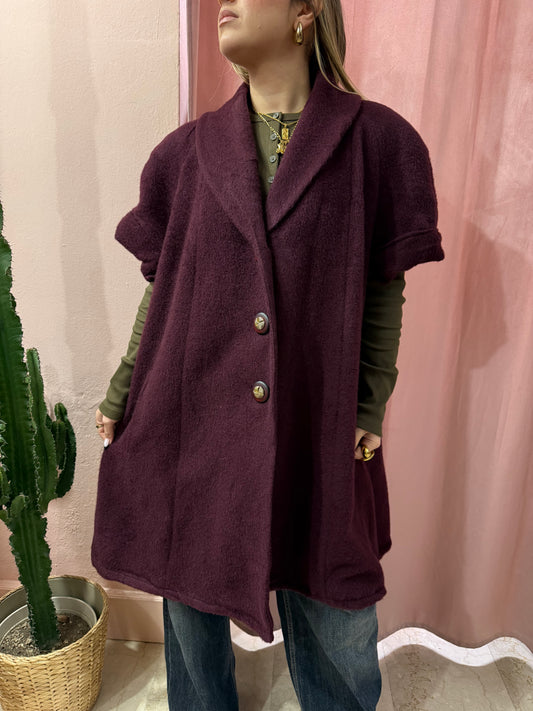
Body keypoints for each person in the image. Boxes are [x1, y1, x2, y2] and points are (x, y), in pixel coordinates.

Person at [92, 1, 445, 709]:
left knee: (331, 587)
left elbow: (384, 289)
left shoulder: (377, 143)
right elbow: (162, 293)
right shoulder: (184, 155)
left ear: (304, 14)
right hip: (192, 414)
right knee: (188, 581)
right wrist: (122, 390)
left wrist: (369, 402)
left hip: (316, 418)